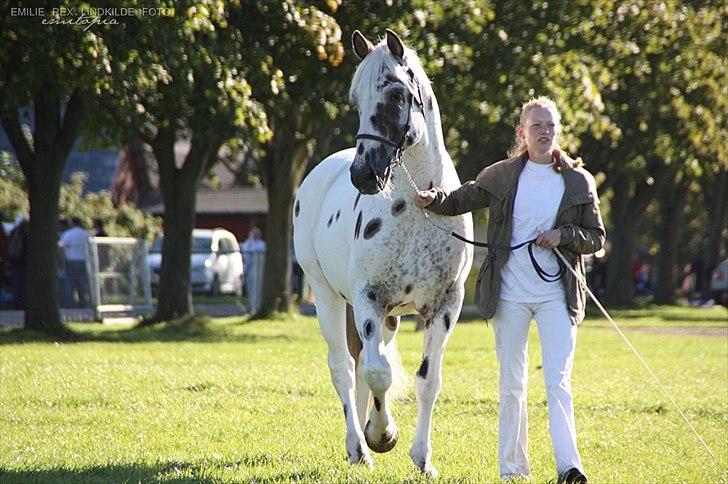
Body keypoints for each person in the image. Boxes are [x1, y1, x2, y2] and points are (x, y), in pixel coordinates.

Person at [415, 97, 605, 484]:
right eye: (536, 125)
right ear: (522, 132)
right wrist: (431, 200)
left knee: (558, 381)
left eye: (550, 125)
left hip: (558, 295)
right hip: (510, 295)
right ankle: (513, 471)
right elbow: (459, 199)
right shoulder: (501, 175)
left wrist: (562, 235)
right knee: (512, 384)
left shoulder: (578, 181)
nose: (544, 132)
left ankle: (570, 467)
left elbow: (596, 237)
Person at [60, 217, 91, 308]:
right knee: (82, 284)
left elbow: (62, 246)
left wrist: (62, 259)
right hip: (83, 261)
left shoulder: (68, 234)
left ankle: (69, 305)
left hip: (71, 261)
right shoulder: (85, 233)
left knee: (70, 284)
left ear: (73, 223)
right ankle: (84, 304)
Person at [7, 216, 30, 310]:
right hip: (24, 261)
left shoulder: (14, 232)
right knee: (23, 283)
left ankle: (17, 303)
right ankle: (22, 303)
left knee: (17, 283)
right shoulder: (27, 234)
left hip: (14, 260)